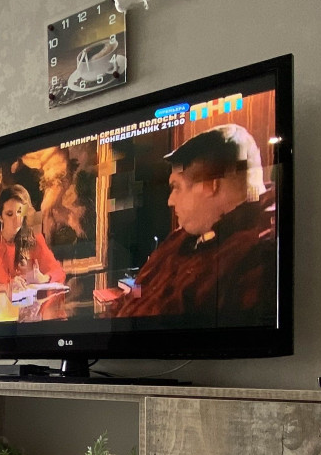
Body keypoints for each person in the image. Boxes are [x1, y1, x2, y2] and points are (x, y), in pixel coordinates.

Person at [115, 124, 276, 324]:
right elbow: (138, 290)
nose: (170, 200)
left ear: (211, 186)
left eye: (176, 187)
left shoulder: (259, 256)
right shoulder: (183, 236)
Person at [0, 186, 67, 321]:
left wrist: (43, 278)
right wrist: (3, 287)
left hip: (31, 316)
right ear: (0, 217)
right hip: (2, 315)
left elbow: (58, 273)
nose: (16, 220)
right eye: (9, 214)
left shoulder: (35, 240)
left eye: (19, 212)